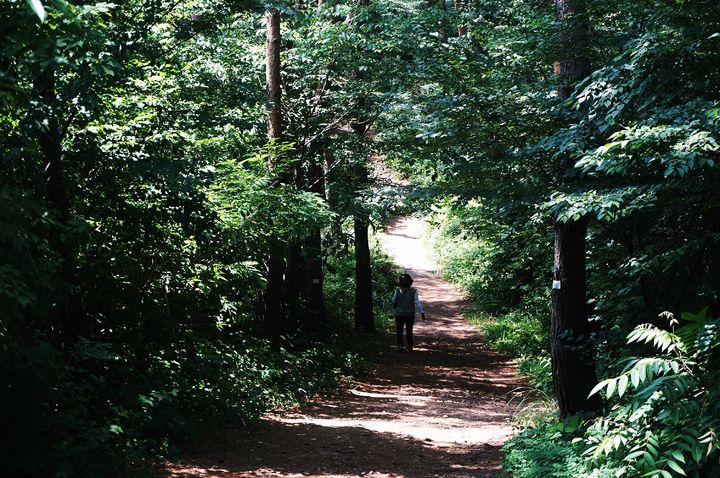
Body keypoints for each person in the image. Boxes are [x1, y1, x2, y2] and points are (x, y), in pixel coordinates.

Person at [391, 273, 425, 352]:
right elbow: (417, 302)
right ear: (410, 282)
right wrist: (422, 312)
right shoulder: (414, 291)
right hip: (410, 314)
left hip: (399, 313)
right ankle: (410, 346)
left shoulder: (397, 290)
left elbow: (393, 301)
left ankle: (400, 346)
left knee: (399, 330)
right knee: (409, 330)